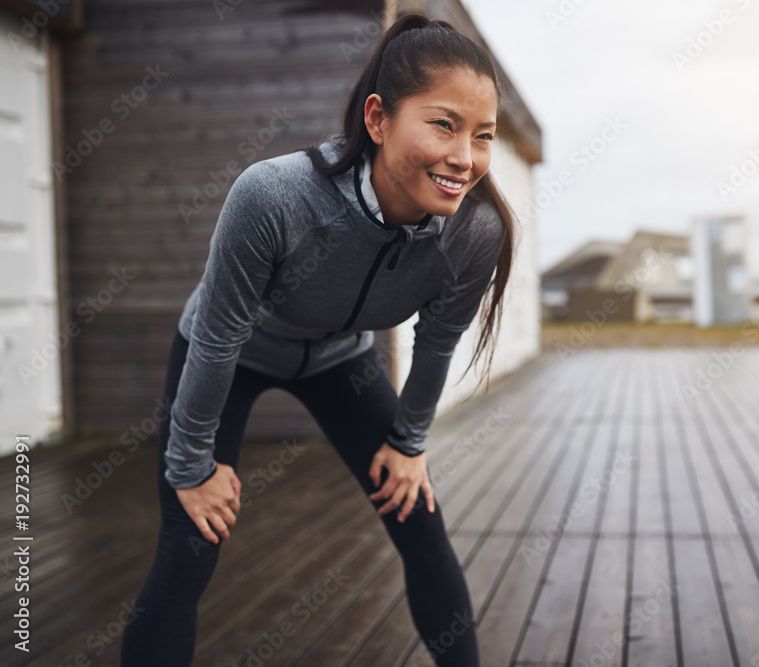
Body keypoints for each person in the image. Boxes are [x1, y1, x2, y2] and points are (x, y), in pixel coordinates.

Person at [120, 11, 517, 666]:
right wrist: (191, 467)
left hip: (342, 360)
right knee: (191, 544)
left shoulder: (475, 232)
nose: (465, 157)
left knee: (419, 520)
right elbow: (217, 338)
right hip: (231, 354)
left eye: (483, 135)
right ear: (378, 119)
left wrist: (408, 444)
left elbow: (438, 342)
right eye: (443, 124)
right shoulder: (275, 196)